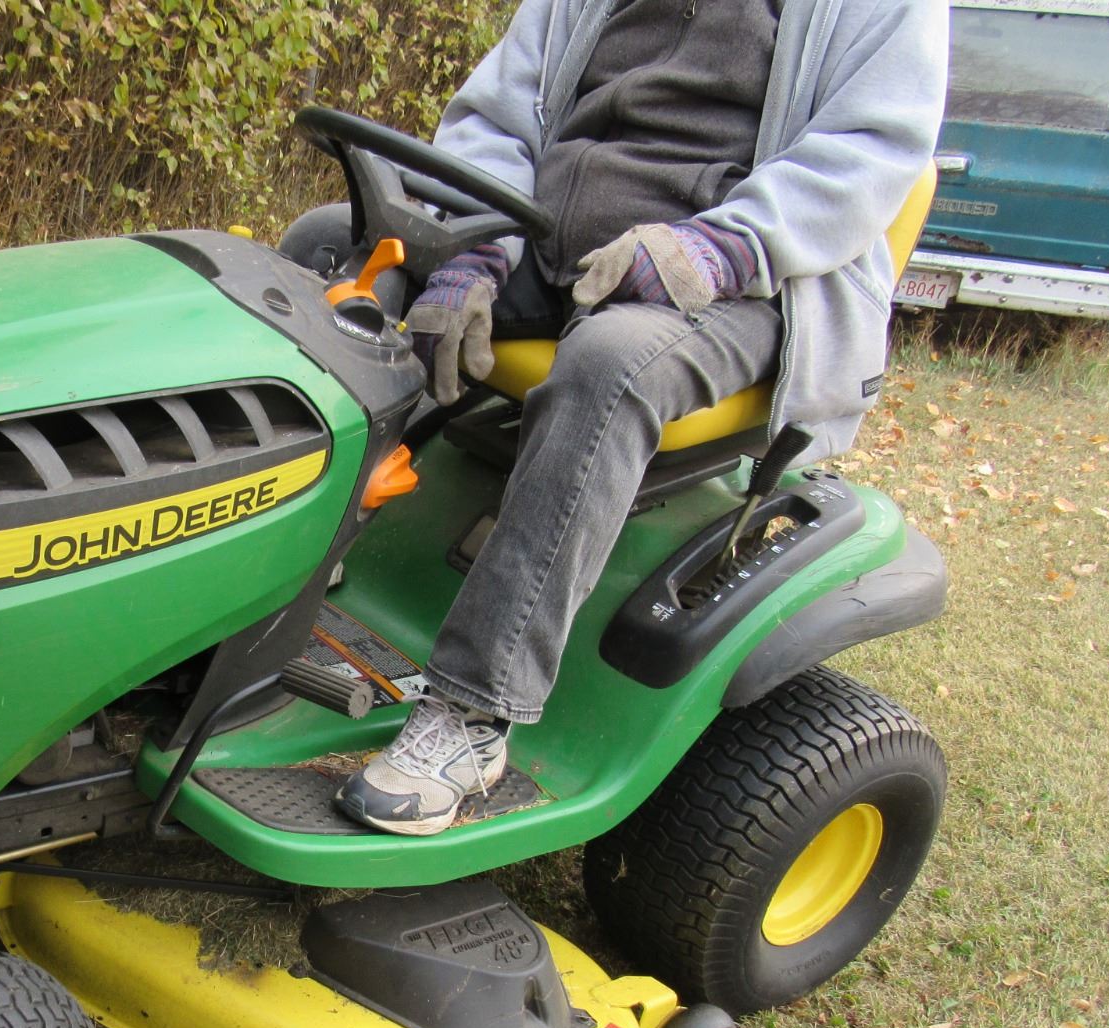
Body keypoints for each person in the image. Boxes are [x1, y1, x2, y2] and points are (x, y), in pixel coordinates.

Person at [333, 0, 948, 836]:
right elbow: (502, 113)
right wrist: (471, 244)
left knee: (609, 364)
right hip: (549, 239)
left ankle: (474, 714)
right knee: (337, 257)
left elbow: (870, 152)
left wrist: (714, 249)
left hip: (747, 274)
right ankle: (290, 558)